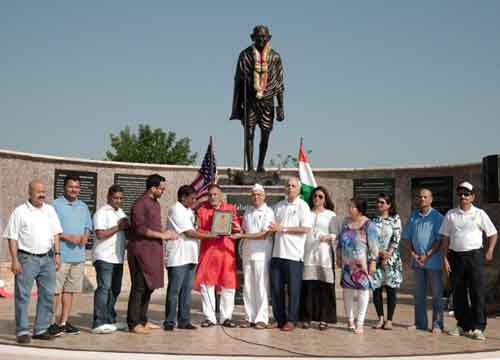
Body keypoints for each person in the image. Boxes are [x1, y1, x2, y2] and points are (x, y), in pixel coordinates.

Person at [3, 180, 62, 343]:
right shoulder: (20, 212)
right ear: (30, 193)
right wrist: (15, 260)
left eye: (43, 191)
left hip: (48, 258)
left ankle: (40, 329)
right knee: (22, 296)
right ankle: (22, 331)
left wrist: (57, 254)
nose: (41, 194)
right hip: (27, 259)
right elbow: (12, 237)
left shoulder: (50, 210)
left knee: (48, 295)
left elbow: (56, 233)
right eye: (38, 192)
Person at [440, 181, 498, 341]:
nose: (463, 197)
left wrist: (490, 250)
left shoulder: (479, 214)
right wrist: (445, 258)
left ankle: (479, 327)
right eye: (460, 194)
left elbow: (493, 233)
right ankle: (463, 324)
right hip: (456, 257)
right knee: (458, 292)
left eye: (466, 194)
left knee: (477, 291)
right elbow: (445, 238)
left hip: (474, 256)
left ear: (473, 196)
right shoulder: (451, 214)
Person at [127, 174, 177, 334]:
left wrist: (165, 232)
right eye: (161, 188)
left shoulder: (155, 204)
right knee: (139, 287)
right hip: (141, 252)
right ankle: (133, 323)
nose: (163, 191)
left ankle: (143, 320)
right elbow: (139, 229)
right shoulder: (140, 204)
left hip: (153, 252)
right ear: (152, 188)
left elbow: (154, 227)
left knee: (149, 287)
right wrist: (163, 236)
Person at [230, 25, 285, 172]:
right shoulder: (245, 55)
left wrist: (280, 107)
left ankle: (260, 166)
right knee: (249, 134)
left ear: (269, 38)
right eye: (258, 37)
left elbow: (279, 83)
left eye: (264, 37)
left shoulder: (275, 57)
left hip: (267, 102)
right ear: (252, 38)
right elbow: (238, 82)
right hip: (250, 101)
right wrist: (239, 107)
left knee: (266, 134)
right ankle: (250, 167)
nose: (261, 39)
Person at [164, 185, 217, 331]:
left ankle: (184, 320)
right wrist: (211, 235)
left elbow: (195, 228)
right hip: (178, 256)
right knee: (175, 290)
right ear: (182, 197)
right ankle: (169, 321)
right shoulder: (175, 209)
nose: (194, 200)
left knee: (186, 290)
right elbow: (189, 233)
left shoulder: (190, 211)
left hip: (191, 255)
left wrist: (210, 230)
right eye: (192, 198)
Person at [268, 177, 313, 331]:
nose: (290, 188)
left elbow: (306, 229)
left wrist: (284, 229)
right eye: (288, 185)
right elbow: (270, 225)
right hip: (277, 254)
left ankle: (292, 320)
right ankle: (279, 319)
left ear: (299, 189)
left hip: (294, 255)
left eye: (293, 186)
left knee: (293, 290)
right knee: (276, 288)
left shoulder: (303, 206)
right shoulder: (278, 206)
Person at [50, 175, 92, 336]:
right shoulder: (55, 205)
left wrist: (85, 237)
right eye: (71, 186)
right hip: (61, 256)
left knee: (70, 291)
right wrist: (68, 237)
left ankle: (63, 322)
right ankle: (51, 322)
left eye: (76, 187)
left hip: (78, 257)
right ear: (64, 187)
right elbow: (52, 229)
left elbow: (88, 226)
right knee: (56, 290)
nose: (74, 190)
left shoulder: (83, 206)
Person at [194, 184, 241, 328]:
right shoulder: (202, 210)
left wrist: (235, 226)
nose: (213, 197)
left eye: (215, 194)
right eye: (210, 195)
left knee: (228, 285)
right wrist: (209, 234)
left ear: (221, 195)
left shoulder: (230, 209)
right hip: (209, 252)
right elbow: (197, 231)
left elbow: (238, 229)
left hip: (226, 251)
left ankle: (226, 317)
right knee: (207, 285)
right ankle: (209, 317)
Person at [231, 184, 275, 329]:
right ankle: (249, 317)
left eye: (259, 195)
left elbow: (263, 234)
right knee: (248, 286)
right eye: (253, 195)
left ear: (264, 196)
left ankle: (262, 318)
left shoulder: (268, 212)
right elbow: (244, 229)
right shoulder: (249, 211)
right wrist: (237, 228)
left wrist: (242, 235)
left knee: (261, 286)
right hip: (247, 253)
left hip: (262, 254)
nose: (256, 197)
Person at [402, 188, 444, 333]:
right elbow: (406, 237)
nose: (422, 200)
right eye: (420, 197)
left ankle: (437, 324)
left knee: (437, 294)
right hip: (417, 262)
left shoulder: (438, 217)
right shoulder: (414, 216)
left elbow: (439, 240)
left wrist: (427, 255)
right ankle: (420, 323)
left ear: (431, 199)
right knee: (419, 294)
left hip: (433, 262)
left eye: (425, 197)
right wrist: (413, 253)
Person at [337, 197, 378, 334]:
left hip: (362, 266)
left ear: (360, 209)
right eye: (349, 206)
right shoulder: (345, 223)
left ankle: (360, 322)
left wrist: (372, 262)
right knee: (347, 291)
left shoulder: (368, 224)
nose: (349, 209)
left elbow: (373, 247)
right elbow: (339, 241)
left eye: (352, 207)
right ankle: (350, 319)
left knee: (363, 292)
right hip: (347, 265)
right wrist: (338, 256)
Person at [91, 185, 129, 334]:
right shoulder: (101, 212)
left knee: (115, 289)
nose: (118, 201)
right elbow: (100, 234)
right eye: (116, 198)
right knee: (104, 288)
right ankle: (98, 321)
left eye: (121, 198)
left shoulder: (121, 213)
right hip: (104, 257)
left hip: (118, 258)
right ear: (108, 197)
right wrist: (118, 227)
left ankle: (109, 319)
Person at [300, 186, 337, 330]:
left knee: (324, 287)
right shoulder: (307, 213)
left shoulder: (330, 215)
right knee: (309, 286)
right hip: (308, 254)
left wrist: (328, 237)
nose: (317, 199)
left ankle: (324, 318)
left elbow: (335, 234)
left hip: (324, 255)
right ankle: (307, 317)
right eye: (315, 196)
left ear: (325, 199)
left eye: (320, 196)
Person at [371, 192, 403, 331]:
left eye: (382, 202)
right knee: (376, 289)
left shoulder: (395, 219)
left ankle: (389, 320)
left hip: (391, 259)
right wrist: (379, 252)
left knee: (391, 289)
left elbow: (397, 238)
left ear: (389, 205)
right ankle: (380, 318)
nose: (379, 205)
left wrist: (388, 254)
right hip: (377, 257)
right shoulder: (374, 220)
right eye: (378, 202)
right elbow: (371, 239)